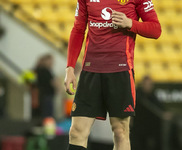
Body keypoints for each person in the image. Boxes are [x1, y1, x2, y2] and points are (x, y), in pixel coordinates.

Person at [64, 0, 161, 149]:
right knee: (76, 132)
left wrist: (130, 23)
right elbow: (78, 29)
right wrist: (70, 67)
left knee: (120, 132)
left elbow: (156, 29)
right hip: (90, 70)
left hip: (120, 71)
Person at [35, 54, 56, 118]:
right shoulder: (44, 70)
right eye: (50, 61)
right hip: (46, 95)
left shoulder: (39, 69)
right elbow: (52, 82)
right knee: (47, 114)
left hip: (43, 95)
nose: (52, 63)